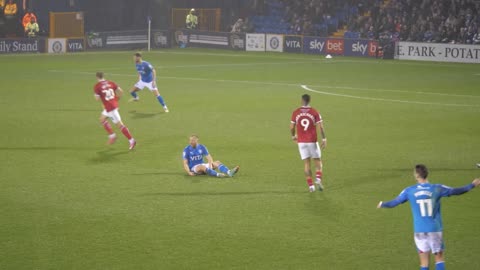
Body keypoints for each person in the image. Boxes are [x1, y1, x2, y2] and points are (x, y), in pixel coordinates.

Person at [377, 164, 480, 270]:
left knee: (424, 262)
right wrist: (471, 185)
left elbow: (394, 202)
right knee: (439, 258)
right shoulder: (437, 188)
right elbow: (456, 191)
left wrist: (382, 204)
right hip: (434, 229)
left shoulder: (409, 190)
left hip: (419, 231)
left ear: (416, 175)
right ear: (427, 174)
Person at [290, 94, 327, 192]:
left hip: (301, 142)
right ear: (309, 100)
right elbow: (321, 127)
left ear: (301, 100)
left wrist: (293, 136)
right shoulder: (314, 112)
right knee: (317, 160)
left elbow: (291, 127)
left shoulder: (296, 112)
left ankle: (311, 186)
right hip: (312, 141)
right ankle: (318, 179)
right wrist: (324, 139)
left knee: (306, 163)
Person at [94, 72, 136, 150]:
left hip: (110, 109)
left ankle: (132, 140)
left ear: (97, 77)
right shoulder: (111, 83)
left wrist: (103, 100)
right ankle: (112, 136)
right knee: (102, 119)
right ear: (103, 76)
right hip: (111, 106)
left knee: (120, 125)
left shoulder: (97, 86)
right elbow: (121, 91)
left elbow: (97, 98)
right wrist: (116, 100)